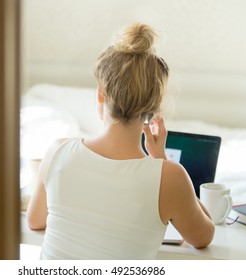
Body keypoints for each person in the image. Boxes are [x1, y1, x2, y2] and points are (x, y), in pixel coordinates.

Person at [27, 23, 215, 259]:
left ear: (100, 94)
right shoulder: (170, 177)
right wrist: (161, 158)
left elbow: (35, 221)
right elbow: (204, 236)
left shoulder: (58, 151)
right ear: (153, 108)